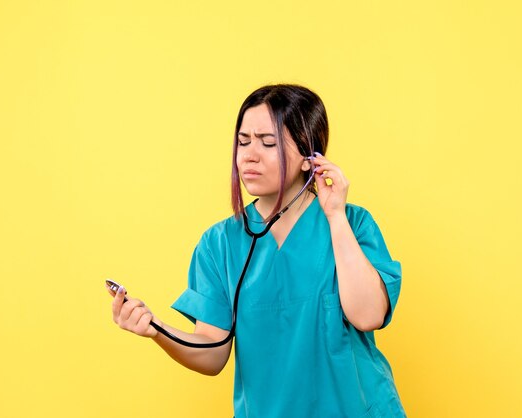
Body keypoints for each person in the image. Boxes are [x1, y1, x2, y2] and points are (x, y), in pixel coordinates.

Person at [107, 84, 406, 417]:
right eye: (243, 141)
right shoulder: (219, 244)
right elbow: (212, 352)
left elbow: (368, 315)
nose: (249, 155)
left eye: (268, 143)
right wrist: (156, 329)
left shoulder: (353, 223)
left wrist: (335, 215)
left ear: (310, 157)